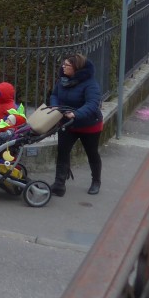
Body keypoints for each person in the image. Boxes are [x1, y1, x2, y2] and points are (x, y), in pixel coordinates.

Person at [47, 53, 103, 196]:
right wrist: (54, 106)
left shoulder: (91, 84)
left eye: (67, 65)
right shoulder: (63, 80)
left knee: (92, 153)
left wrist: (76, 114)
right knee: (62, 151)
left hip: (89, 125)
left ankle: (96, 181)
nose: (63, 67)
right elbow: (54, 95)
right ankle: (59, 185)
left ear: (76, 68)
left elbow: (92, 104)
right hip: (67, 123)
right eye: (63, 64)